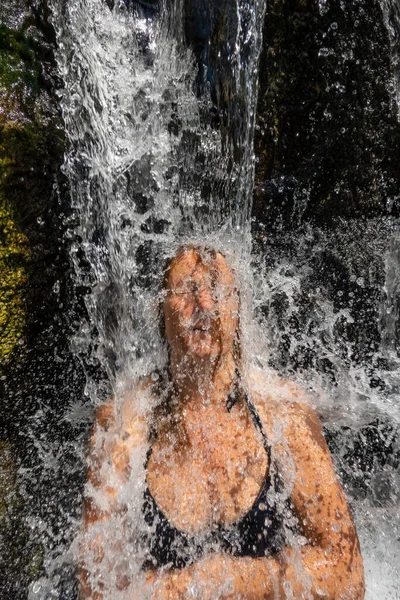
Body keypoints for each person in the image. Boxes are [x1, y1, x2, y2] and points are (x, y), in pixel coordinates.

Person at [79, 245, 365, 599]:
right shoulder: (124, 423)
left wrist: (232, 580)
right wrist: (191, 588)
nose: (204, 303)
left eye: (219, 290)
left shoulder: (284, 412)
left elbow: (347, 573)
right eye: (186, 289)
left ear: (238, 308)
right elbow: (96, 586)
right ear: (160, 308)